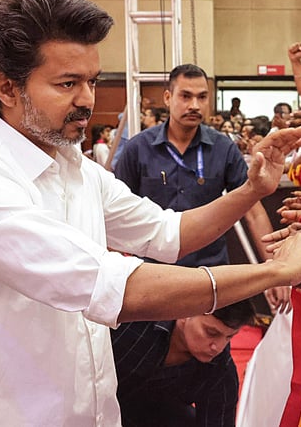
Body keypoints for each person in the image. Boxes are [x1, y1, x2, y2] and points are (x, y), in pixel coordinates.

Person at [0, 0, 301, 425]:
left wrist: (251, 191)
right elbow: (118, 288)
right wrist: (275, 272)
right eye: (67, 84)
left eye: (91, 81)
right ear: (7, 87)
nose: (87, 100)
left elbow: (168, 233)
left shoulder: (75, 166)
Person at [115, 63, 290, 311]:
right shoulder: (138, 149)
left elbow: (252, 210)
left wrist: (273, 269)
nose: (194, 105)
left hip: (210, 276)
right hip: (152, 276)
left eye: (202, 97)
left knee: (213, 336)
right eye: (185, 96)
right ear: (168, 97)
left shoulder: (223, 149)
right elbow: (117, 213)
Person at [112, 300, 256, 427]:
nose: (218, 347)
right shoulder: (133, 320)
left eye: (229, 337)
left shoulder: (221, 369)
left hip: (151, 418)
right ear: (184, 313)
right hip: (103, 400)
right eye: (211, 333)